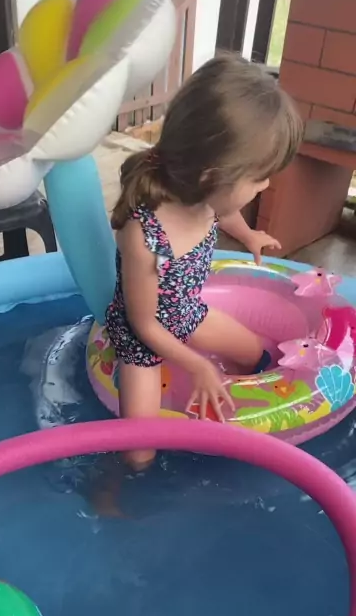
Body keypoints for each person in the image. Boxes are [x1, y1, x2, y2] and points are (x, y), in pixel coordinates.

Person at [105, 53, 303, 471]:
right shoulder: (145, 234)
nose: (267, 184)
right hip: (144, 341)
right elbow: (144, 324)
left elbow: (224, 212)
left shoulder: (205, 198)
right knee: (139, 451)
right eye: (259, 177)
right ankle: (112, 493)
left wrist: (248, 235)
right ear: (213, 176)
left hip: (189, 313)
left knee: (260, 355)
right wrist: (196, 365)